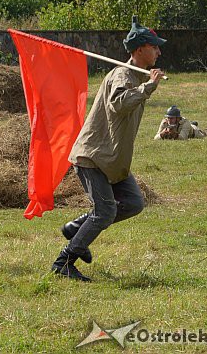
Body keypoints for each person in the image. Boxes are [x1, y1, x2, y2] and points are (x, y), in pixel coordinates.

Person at [54, 16, 166, 281]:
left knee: (134, 203)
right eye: (155, 47)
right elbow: (119, 103)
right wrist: (149, 86)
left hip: (113, 160)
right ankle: (64, 262)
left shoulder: (135, 74)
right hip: (93, 156)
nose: (159, 52)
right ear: (140, 50)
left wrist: (145, 83)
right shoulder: (122, 74)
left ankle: (78, 227)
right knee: (105, 212)